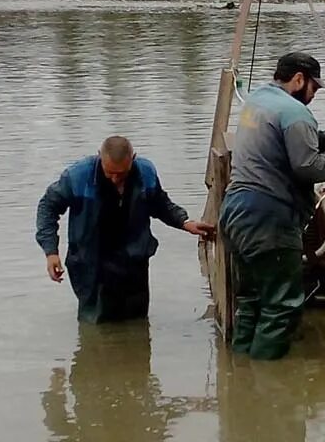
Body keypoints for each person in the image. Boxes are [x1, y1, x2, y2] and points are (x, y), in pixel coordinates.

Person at [219, 51, 325, 360]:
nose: (314, 94)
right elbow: (309, 168)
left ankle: (239, 378)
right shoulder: (296, 113)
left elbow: (282, 139)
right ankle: (267, 389)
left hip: (235, 211)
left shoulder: (257, 102)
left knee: (253, 300)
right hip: (269, 218)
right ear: (299, 79)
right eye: (314, 87)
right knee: (282, 306)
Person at [36, 135, 212, 322]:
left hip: (134, 262)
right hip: (91, 265)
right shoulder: (77, 177)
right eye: (109, 172)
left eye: (122, 174)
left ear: (133, 158)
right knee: (97, 327)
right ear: (99, 157)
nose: (115, 179)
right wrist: (51, 252)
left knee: (138, 324)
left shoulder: (146, 173)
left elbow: (160, 204)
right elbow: (47, 208)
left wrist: (184, 223)